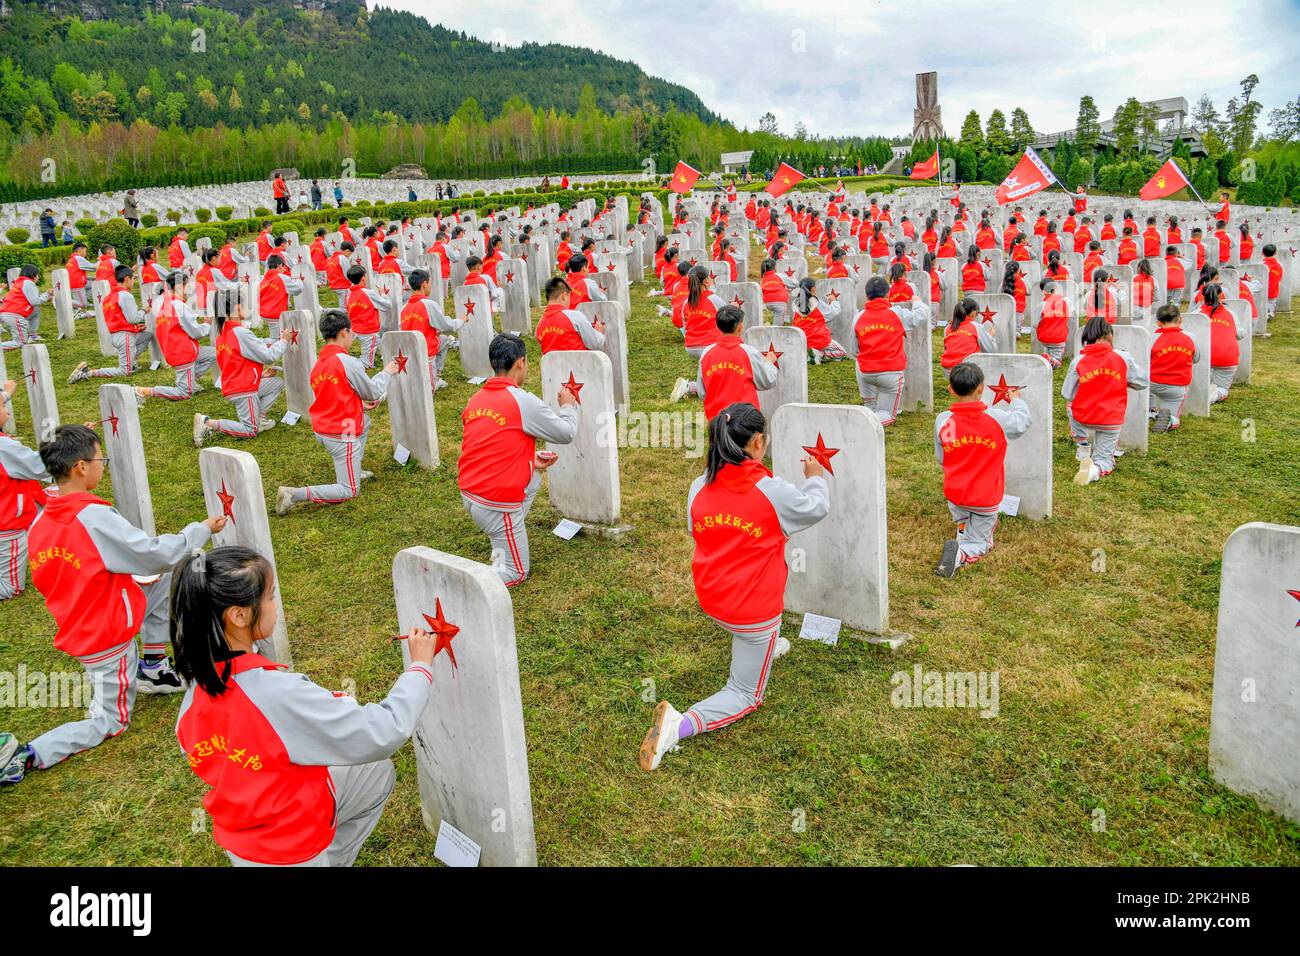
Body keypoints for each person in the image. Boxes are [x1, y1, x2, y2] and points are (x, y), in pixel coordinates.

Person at [170, 544, 436, 866]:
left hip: (243, 836)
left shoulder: (199, 685)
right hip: (291, 848)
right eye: (268, 597)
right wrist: (420, 668)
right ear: (239, 615)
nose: (274, 605)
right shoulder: (275, 693)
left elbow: (195, 747)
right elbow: (381, 731)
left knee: (374, 775)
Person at [0, 424, 223, 786]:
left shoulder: (44, 512)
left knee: (162, 582)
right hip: (103, 634)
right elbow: (155, 555)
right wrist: (198, 530)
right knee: (109, 720)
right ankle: (26, 754)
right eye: (99, 458)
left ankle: (151, 664)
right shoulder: (93, 517)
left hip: (90, 607)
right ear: (80, 468)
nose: (103, 464)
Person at [639, 402, 829, 771]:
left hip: (712, 598)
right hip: (752, 613)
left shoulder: (699, 486)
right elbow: (816, 507)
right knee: (746, 693)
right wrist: (816, 475)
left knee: (756, 633)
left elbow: (698, 532)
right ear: (757, 442)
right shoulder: (772, 492)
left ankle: (765, 646)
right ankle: (681, 725)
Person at [457, 334, 578, 587]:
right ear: (521, 362)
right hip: (495, 502)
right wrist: (568, 406)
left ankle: (505, 532)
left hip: (470, 492)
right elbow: (566, 433)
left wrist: (529, 459)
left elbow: (490, 443)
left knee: (533, 478)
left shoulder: (475, 399)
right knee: (515, 572)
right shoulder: (522, 400)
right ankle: (464, 585)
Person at [275, 310, 395, 515]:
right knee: (349, 490)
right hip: (340, 433)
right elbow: (372, 392)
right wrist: (387, 372)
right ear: (344, 332)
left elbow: (332, 393)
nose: (352, 337)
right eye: (351, 333)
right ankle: (294, 494)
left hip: (322, 427)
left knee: (364, 421)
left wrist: (357, 405)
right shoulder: (347, 362)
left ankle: (354, 467)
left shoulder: (319, 363)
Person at [933, 363, 1031, 577]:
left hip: (955, 493)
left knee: (963, 517)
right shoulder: (996, 419)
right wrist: (1016, 401)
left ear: (950, 389)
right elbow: (1022, 422)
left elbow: (941, 458)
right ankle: (962, 553)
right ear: (981, 389)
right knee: (982, 541)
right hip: (985, 496)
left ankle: (962, 531)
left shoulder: (943, 421)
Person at [1061, 316, 1147, 484]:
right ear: (1109, 335)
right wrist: (1123, 380)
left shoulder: (1078, 360)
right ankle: (1095, 470)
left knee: (1070, 404)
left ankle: (1083, 445)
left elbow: (1067, 394)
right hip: (1110, 419)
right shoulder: (1123, 357)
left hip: (1083, 418)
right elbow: (1142, 382)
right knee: (1105, 458)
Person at [193, 302, 292, 445]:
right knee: (250, 430)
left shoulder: (223, 333)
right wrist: (283, 342)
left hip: (236, 384)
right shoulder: (240, 333)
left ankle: (260, 420)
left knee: (276, 383)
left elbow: (236, 361)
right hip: (243, 388)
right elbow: (268, 356)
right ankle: (208, 423)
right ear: (237, 308)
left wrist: (261, 375)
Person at [851, 275, 928, 426]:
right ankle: (864, 424)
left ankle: (869, 410)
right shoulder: (896, 313)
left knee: (858, 365)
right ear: (888, 294)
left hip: (865, 373)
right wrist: (917, 302)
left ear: (867, 296)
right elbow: (920, 316)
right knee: (888, 416)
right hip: (891, 374)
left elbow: (854, 350)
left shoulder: (858, 316)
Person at [0, 379, 49, 600]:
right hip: (8, 525)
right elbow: (39, 466)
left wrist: (6, 394)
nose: (6, 409)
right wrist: (71, 448)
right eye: (2, 406)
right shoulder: (4, 447)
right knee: (11, 586)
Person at [137, 271, 216, 403]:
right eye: (186, 286)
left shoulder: (165, 304)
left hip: (175, 349)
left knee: (214, 353)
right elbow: (196, 332)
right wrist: (207, 324)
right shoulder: (178, 305)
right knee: (183, 393)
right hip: (182, 352)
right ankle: (144, 391)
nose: (187, 290)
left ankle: (192, 380)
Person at [692, 305, 777, 420]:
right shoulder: (749, 353)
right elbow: (767, 380)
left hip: (717, 420)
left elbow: (702, 392)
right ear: (740, 327)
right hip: (746, 419)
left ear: (717, 326)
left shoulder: (706, 353)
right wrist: (769, 362)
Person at [68, 266, 152, 381]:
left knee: (147, 335)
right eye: (133, 279)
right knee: (125, 371)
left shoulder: (109, 297)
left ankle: (131, 361)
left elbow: (120, 318)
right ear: (127, 279)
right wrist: (143, 311)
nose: (133, 282)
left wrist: (136, 329)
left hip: (115, 335)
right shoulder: (126, 295)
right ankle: (88, 373)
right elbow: (133, 319)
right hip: (125, 336)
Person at [401, 270, 462, 391]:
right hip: (425, 352)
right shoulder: (428, 304)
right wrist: (461, 320)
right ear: (424, 284)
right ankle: (432, 381)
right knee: (428, 392)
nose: (430, 287)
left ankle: (436, 377)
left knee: (443, 340)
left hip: (409, 351)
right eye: (430, 284)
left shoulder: (404, 307)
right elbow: (446, 325)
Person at [1149, 304, 1197, 433]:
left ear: (1158, 323)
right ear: (1180, 320)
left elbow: (1144, 360)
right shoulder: (1191, 337)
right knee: (1172, 415)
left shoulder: (1151, 338)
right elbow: (1196, 358)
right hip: (1176, 387)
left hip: (1152, 383)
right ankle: (1168, 420)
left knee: (1146, 389)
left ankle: (1150, 412)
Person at [535, 276, 605, 355]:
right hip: (581, 365)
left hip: (553, 367)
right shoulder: (574, 316)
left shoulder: (539, 325)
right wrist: (599, 332)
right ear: (564, 296)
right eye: (569, 296)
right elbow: (596, 343)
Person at [1201, 282, 1245, 403]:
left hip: (1204, 358)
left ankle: (1204, 394)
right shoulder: (1231, 314)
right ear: (1221, 295)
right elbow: (1240, 334)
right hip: (1227, 357)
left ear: (1203, 296)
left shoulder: (1197, 314)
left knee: (1202, 384)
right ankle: (1213, 397)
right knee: (1222, 388)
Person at [790, 277, 847, 364]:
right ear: (813, 289)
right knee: (842, 353)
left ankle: (807, 355)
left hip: (801, 341)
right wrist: (834, 301)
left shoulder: (794, 304)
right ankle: (819, 354)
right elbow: (833, 313)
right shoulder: (816, 303)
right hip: (818, 340)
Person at [344, 265, 387, 368]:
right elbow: (386, 305)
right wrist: (383, 294)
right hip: (369, 331)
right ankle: (349, 365)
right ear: (363, 278)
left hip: (355, 329)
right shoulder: (369, 293)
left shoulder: (349, 296)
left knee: (377, 341)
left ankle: (383, 354)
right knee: (366, 364)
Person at [940, 298, 997, 373]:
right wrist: (990, 336)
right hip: (967, 370)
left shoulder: (947, 328)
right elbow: (991, 350)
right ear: (974, 313)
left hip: (948, 369)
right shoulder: (976, 326)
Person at [1, 263, 49, 350]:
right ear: (34, 275)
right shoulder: (29, 283)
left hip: (7, 312)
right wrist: (47, 295)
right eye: (38, 275)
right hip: (14, 315)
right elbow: (35, 301)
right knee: (20, 343)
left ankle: (33, 336)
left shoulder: (19, 282)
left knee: (36, 310)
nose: (38, 277)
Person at [258, 254, 304, 340]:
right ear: (279, 266)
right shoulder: (281, 278)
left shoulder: (264, 279)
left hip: (264, 312)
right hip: (274, 314)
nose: (285, 269)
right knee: (277, 340)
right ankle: (259, 345)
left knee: (277, 336)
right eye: (284, 267)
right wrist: (299, 280)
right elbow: (298, 289)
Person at [1031, 277, 1070, 368]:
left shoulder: (1041, 305)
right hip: (1059, 337)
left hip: (1044, 337)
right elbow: (1067, 318)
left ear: (1043, 290)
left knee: (1047, 349)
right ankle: (1053, 361)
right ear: (1055, 289)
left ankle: (1046, 359)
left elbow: (1034, 324)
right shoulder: (1064, 303)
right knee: (1057, 359)